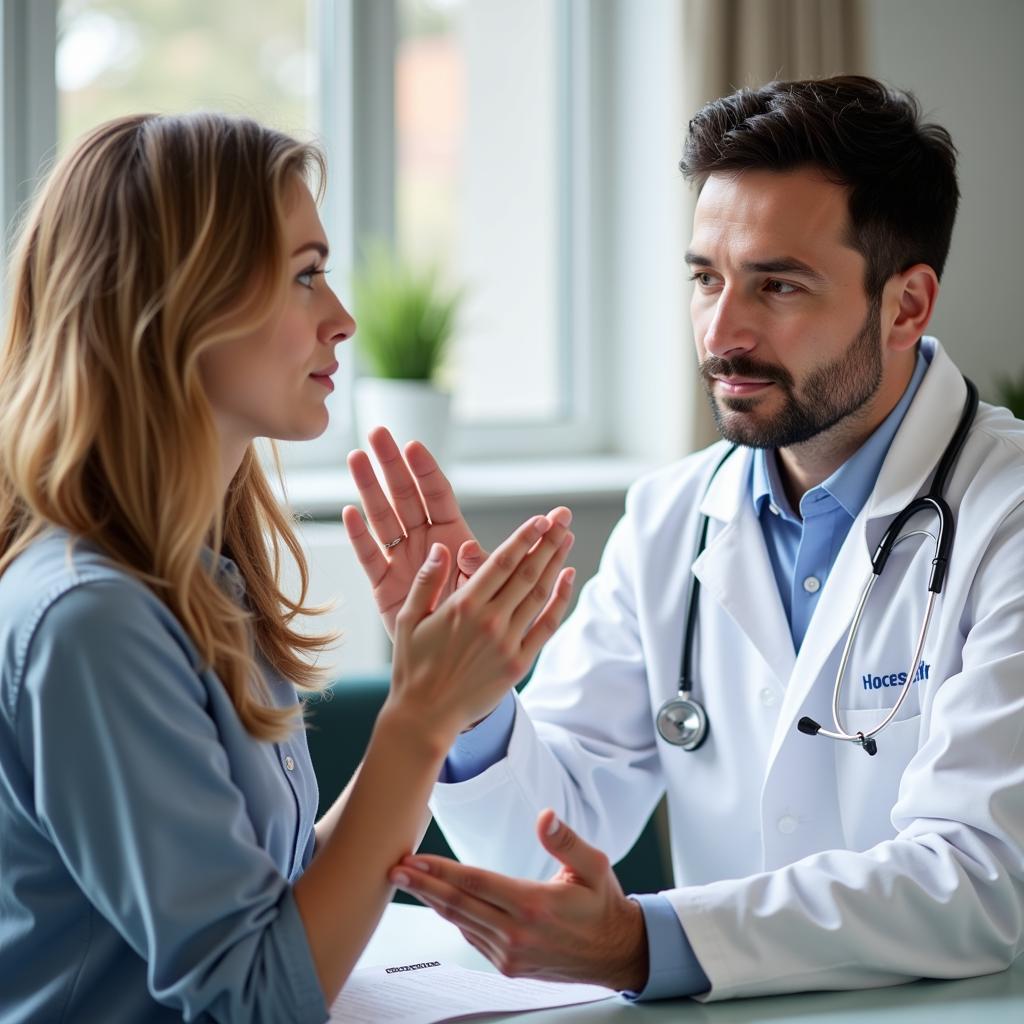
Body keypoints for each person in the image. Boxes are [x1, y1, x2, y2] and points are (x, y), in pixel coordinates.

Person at [345, 76, 1024, 1002]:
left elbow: (982, 875)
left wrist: (643, 943)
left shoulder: (1006, 514)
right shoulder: (671, 518)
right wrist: (471, 693)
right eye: (706, 277)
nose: (722, 332)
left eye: (777, 285)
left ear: (906, 306)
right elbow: (550, 846)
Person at [0, 112, 577, 1023]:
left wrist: (446, 699)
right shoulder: (88, 619)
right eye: (305, 275)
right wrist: (418, 717)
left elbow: (281, 905)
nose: (341, 319)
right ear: (179, 303)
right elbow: (259, 999)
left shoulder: (204, 578)